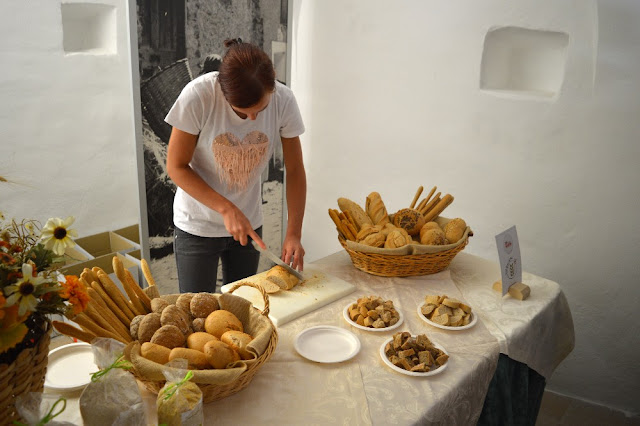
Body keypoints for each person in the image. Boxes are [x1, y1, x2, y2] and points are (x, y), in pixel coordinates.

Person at [165, 38, 306, 293]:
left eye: (260, 110)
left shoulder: (283, 100)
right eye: (242, 112)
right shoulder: (198, 96)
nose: (252, 119)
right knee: (199, 315)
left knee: (243, 305)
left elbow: (295, 169)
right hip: (197, 225)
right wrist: (226, 208)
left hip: (248, 226)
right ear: (224, 92)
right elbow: (176, 166)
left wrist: (294, 233)